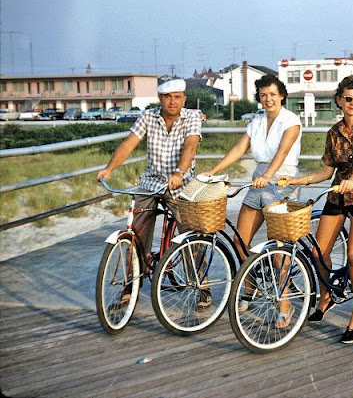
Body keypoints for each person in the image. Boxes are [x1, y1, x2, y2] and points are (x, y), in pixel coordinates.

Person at [279, 75, 353, 344]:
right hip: (338, 193)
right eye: (348, 98)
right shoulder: (334, 133)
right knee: (318, 251)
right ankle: (326, 295)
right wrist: (297, 179)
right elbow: (326, 171)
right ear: (339, 100)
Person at [200, 74, 301, 326]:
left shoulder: (291, 121)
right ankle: (251, 283)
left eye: (272, 94)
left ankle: (285, 304)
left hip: (282, 181)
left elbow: (283, 151)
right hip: (259, 178)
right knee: (239, 241)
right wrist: (213, 171)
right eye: (263, 95)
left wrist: (268, 175)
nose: (268, 99)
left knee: (277, 247)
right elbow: (239, 149)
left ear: (282, 96)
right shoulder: (256, 121)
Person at [96, 78, 202, 306]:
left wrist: (179, 172)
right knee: (135, 231)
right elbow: (129, 143)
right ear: (160, 98)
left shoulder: (192, 116)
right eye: (167, 97)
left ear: (184, 98)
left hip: (181, 183)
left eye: (177, 97)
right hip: (151, 182)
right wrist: (109, 168)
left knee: (189, 233)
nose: (172, 102)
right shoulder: (148, 116)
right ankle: (131, 283)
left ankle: (200, 284)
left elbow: (191, 146)